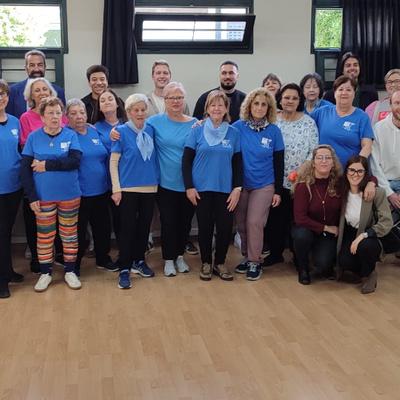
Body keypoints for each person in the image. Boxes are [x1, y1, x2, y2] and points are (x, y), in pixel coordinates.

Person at [20, 97, 82, 292]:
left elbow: (74, 161)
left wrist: (46, 165)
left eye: (58, 113)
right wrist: (32, 197)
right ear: (42, 117)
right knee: (45, 236)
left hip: (69, 195)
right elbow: (25, 170)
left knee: (69, 234)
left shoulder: (71, 135)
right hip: (43, 196)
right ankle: (45, 273)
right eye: (50, 113)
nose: (54, 117)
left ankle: (70, 271)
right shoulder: (33, 138)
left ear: (62, 115)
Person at [182, 90, 242, 281]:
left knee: (225, 228)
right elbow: (186, 161)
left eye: (220, 105)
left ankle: (220, 263)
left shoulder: (234, 133)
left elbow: (238, 163)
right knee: (205, 228)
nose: (216, 108)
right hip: (201, 189)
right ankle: (206, 262)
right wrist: (189, 187)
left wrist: (237, 188)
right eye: (213, 105)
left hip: (225, 190)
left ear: (226, 109)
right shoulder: (196, 130)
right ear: (207, 108)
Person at [263, 83, 318, 267]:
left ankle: (298, 256)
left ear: (299, 100)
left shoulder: (308, 122)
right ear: (279, 99)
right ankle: (275, 254)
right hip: (275, 180)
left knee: (297, 220)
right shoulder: (272, 121)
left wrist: (299, 173)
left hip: (301, 181)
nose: (290, 101)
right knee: (275, 220)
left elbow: (313, 152)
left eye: (294, 98)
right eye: (286, 97)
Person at [233, 88, 284, 280]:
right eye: (256, 103)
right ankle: (247, 256)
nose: (260, 107)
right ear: (249, 105)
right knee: (241, 224)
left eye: (264, 104)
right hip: (241, 185)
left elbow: (279, 162)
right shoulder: (237, 128)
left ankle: (255, 261)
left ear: (269, 108)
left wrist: (278, 190)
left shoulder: (274, 131)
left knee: (254, 222)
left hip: (264, 184)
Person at [19, 77, 68, 274]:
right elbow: (26, 147)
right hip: (36, 175)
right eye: (37, 90)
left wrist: (47, 162)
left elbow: (68, 136)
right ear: (31, 95)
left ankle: (59, 254)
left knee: (61, 220)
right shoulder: (26, 118)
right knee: (36, 218)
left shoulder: (60, 114)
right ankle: (38, 258)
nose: (41, 93)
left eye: (44, 89)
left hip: (60, 176)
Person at [110, 94, 159, 289]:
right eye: (135, 110)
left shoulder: (151, 129)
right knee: (127, 229)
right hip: (127, 188)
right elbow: (113, 162)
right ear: (128, 112)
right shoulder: (120, 131)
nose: (140, 113)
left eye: (143, 109)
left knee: (144, 228)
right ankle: (124, 267)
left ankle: (139, 260)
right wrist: (116, 189)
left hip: (150, 187)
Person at [149, 82, 197, 276]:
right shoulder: (154, 122)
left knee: (185, 223)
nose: (176, 101)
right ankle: (168, 259)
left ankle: (179, 256)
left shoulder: (195, 123)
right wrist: (115, 131)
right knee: (168, 222)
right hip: (165, 182)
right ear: (165, 100)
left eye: (179, 97)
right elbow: (134, 130)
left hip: (189, 184)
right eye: (171, 98)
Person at [65, 99, 116, 276]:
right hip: (78, 192)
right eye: (73, 113)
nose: (79, 116)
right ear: (67, 116)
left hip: (101, 190)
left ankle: (103, 258)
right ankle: (75, 265)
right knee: (78, 232)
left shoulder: (94, 131)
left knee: (102, 227)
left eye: (82, 112)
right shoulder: (65, 135)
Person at [337, 155, 392, 294]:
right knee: (344, 261)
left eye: (360, 171)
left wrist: (364, 235)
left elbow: (386, 221)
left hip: (370, 234)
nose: (355, 174)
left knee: (366, 246)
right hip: (350, 231)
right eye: (352, 170)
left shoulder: (377, 193)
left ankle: (369, 273)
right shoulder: (341, 191)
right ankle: (360, 270)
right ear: (346, 171)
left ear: (366, 173)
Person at [292, 145, 342, 285]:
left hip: (327, 234)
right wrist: (326, 228)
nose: (324, 161)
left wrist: (371, 183)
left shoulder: (339, 184)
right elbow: (300, 219)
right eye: (320, 158)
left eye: (328, 158)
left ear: (333, 163)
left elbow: (364, 177)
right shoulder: (303, 186)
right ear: (313, 163)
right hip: (307, 228)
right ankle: (302, 268)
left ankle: (316, 257)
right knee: (302, 236)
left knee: (323, 265)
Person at [312, 75, 374, 168]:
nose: (344, 93)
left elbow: (367, 146)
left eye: (348, 90)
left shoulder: (362, 117)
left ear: (354, 93)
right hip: (324, 170)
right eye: (340, 89)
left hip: (349, 172)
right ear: (334, 93)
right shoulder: (322, 112)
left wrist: (357, 165)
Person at [0, 80, 24, 298]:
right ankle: (2, 280)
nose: (1, 98)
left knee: (7, 231)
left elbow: (19, 151)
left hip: (14, 186)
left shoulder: (15, 121)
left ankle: (7, 270)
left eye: (3, 94)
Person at [6, 49, 65, 118]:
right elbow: (9, 118)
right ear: (26, 68)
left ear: (45, 67)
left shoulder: (58, 91)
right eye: (32, 65)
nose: (36, 69)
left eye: (40, 65)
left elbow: (63, 118)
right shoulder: (13, 91)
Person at [370, 91, 400, 209]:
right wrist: (389, 193)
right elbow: (374, 165)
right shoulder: (378, 129)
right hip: (384, 183)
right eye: (397, 103)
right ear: (390, 105)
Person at [93, 89, 127, 153]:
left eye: (110, 99)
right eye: (103, 101)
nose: (107, 102)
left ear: (117, 104)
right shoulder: (95, 128)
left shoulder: (127, 124)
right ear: (99, 108)